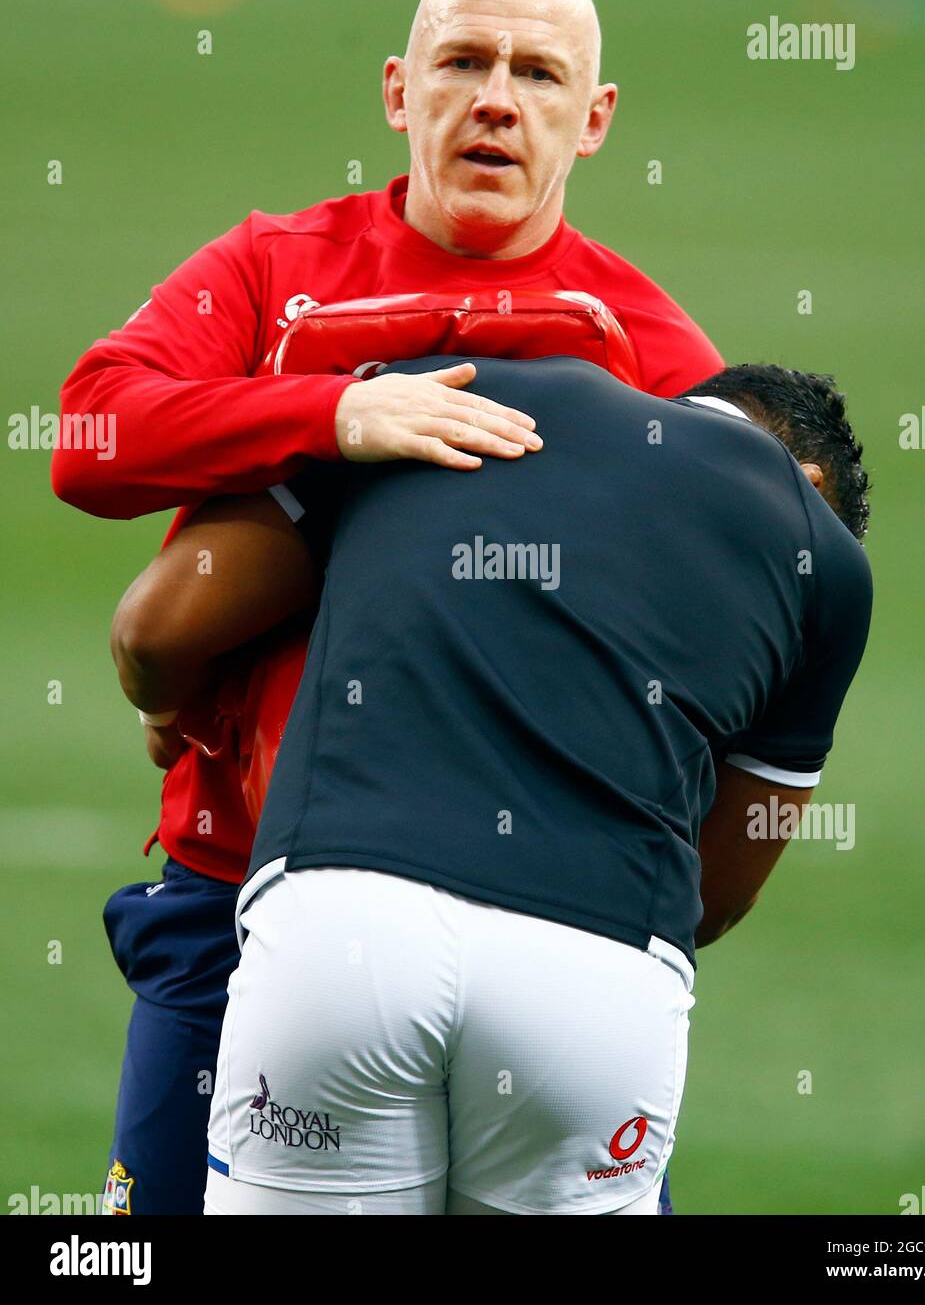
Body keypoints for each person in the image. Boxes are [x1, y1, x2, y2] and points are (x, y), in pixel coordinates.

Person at [53, 0, 723, 1215]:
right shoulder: (274, 270)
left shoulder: (651, 353)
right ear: (398, 90)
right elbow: (89, 433)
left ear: (595, 119)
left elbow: (730, 623)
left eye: (537, 74)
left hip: (538, 916)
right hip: (236, 891)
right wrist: (335, 415)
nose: (495, 100)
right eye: (463, 63)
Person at [110, 358, 873, 1215]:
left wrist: (168, 708)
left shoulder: (448, 396)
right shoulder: (825, 556)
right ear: (809, 484)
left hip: (337, 927)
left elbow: (154, 625)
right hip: (597, 974)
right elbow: (713, 897)